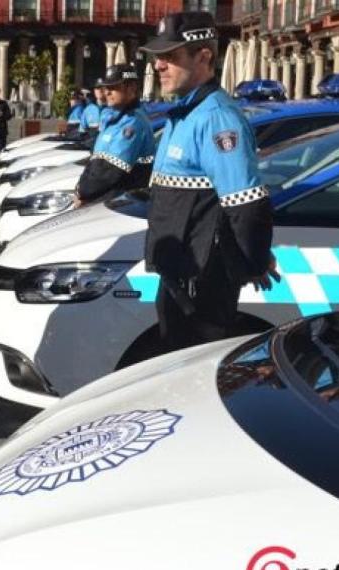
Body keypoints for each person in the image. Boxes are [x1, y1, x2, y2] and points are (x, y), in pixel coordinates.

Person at [139, 11, 278, 355]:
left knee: (194, 374)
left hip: (201, 285)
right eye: (158, 57)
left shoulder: (216, 119)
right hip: (179, 278)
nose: (159, 66)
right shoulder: (186, 113)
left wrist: (254, 262)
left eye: (170, 57)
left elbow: (246, 204)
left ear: (204, 57)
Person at [73, 64, 155, 207]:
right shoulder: (114, 118)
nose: (107, 92)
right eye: (106, 88)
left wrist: (84, 192)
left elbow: (110, 171)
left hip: (119, 204)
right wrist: (80, 188)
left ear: (132, 88)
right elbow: (96, 161)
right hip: (103, 199)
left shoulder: (133, 122)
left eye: (114, 88)